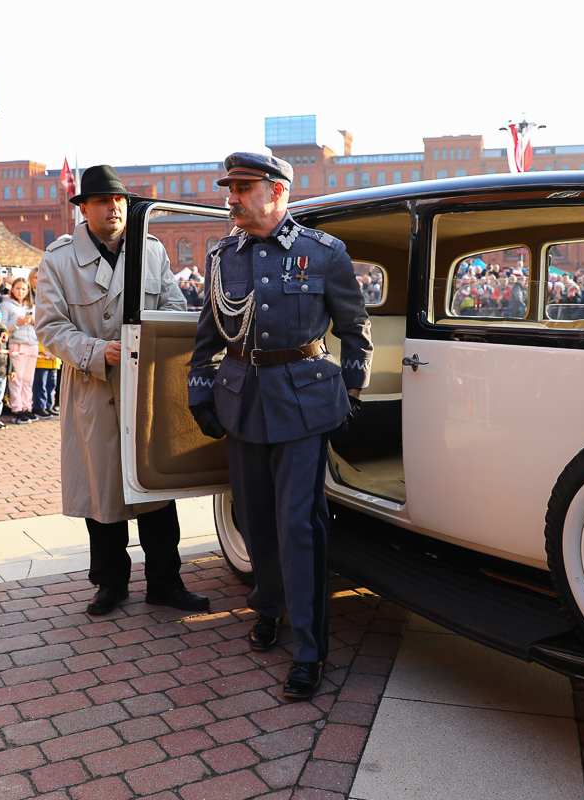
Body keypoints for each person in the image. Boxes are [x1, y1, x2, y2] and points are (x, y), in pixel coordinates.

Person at [188, 152, 373, 700]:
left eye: (243, 188)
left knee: (298, 524)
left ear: (277, 191)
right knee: (253, 518)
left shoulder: (324, 254)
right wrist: (201, 390)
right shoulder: (223, 255)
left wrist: (352, 389)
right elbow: (208, 329)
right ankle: (267, 607)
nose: (232, 197)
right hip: (242, 399)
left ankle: (310, 648)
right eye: (230, 188)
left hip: (302, 404)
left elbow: (355, 328)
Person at [35, 164, 209, 617]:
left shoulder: (151, 251)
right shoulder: (58, 259)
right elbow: (49, 328)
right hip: (93, 388)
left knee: (154, 486)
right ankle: (109, 583)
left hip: (143, 387)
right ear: (83, 208)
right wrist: (97, 351)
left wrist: (149, 342)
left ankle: (165, 581)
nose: (113, 208)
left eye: (119, 201)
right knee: (102, 493)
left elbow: (173, 306)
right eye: (102, 201)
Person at [2, 277, 38, 424]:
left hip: (32, 345)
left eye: (24, 289)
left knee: (28, 379)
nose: (21, 291)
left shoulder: (33, 306)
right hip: (17, 344)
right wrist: (18, 322)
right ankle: (17, 408)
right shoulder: (6, 305)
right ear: (12, 289)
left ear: (28, 290)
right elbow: (2, 325)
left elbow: (43, 324)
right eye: (18, 288)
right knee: (17, 379)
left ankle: (26, 407)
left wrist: (35, 321)